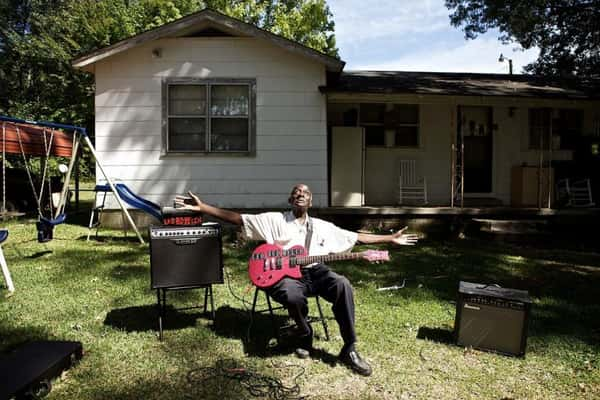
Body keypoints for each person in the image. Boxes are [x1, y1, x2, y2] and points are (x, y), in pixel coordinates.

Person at [175, 183, 418, 376]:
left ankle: (349, 348)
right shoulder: (275, 220)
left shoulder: (323, 226)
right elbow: (239, 219)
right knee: (292, 294)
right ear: (291, 200)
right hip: (284, 275)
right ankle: (304, 333)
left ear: (310, 201)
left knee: (342, 284)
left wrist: (389, 239)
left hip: (315, 271)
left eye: (305, 192)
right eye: (296, 192)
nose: (300, 194)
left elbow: (356, 237)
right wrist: (205, 208)